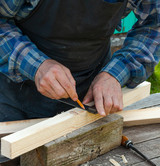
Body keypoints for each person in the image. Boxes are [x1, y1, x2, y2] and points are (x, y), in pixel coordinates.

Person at [0, 0, 159, 122]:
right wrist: (34, 64)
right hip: (14, 93)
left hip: (90, 91)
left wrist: (116, 73)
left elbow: (155, 24)